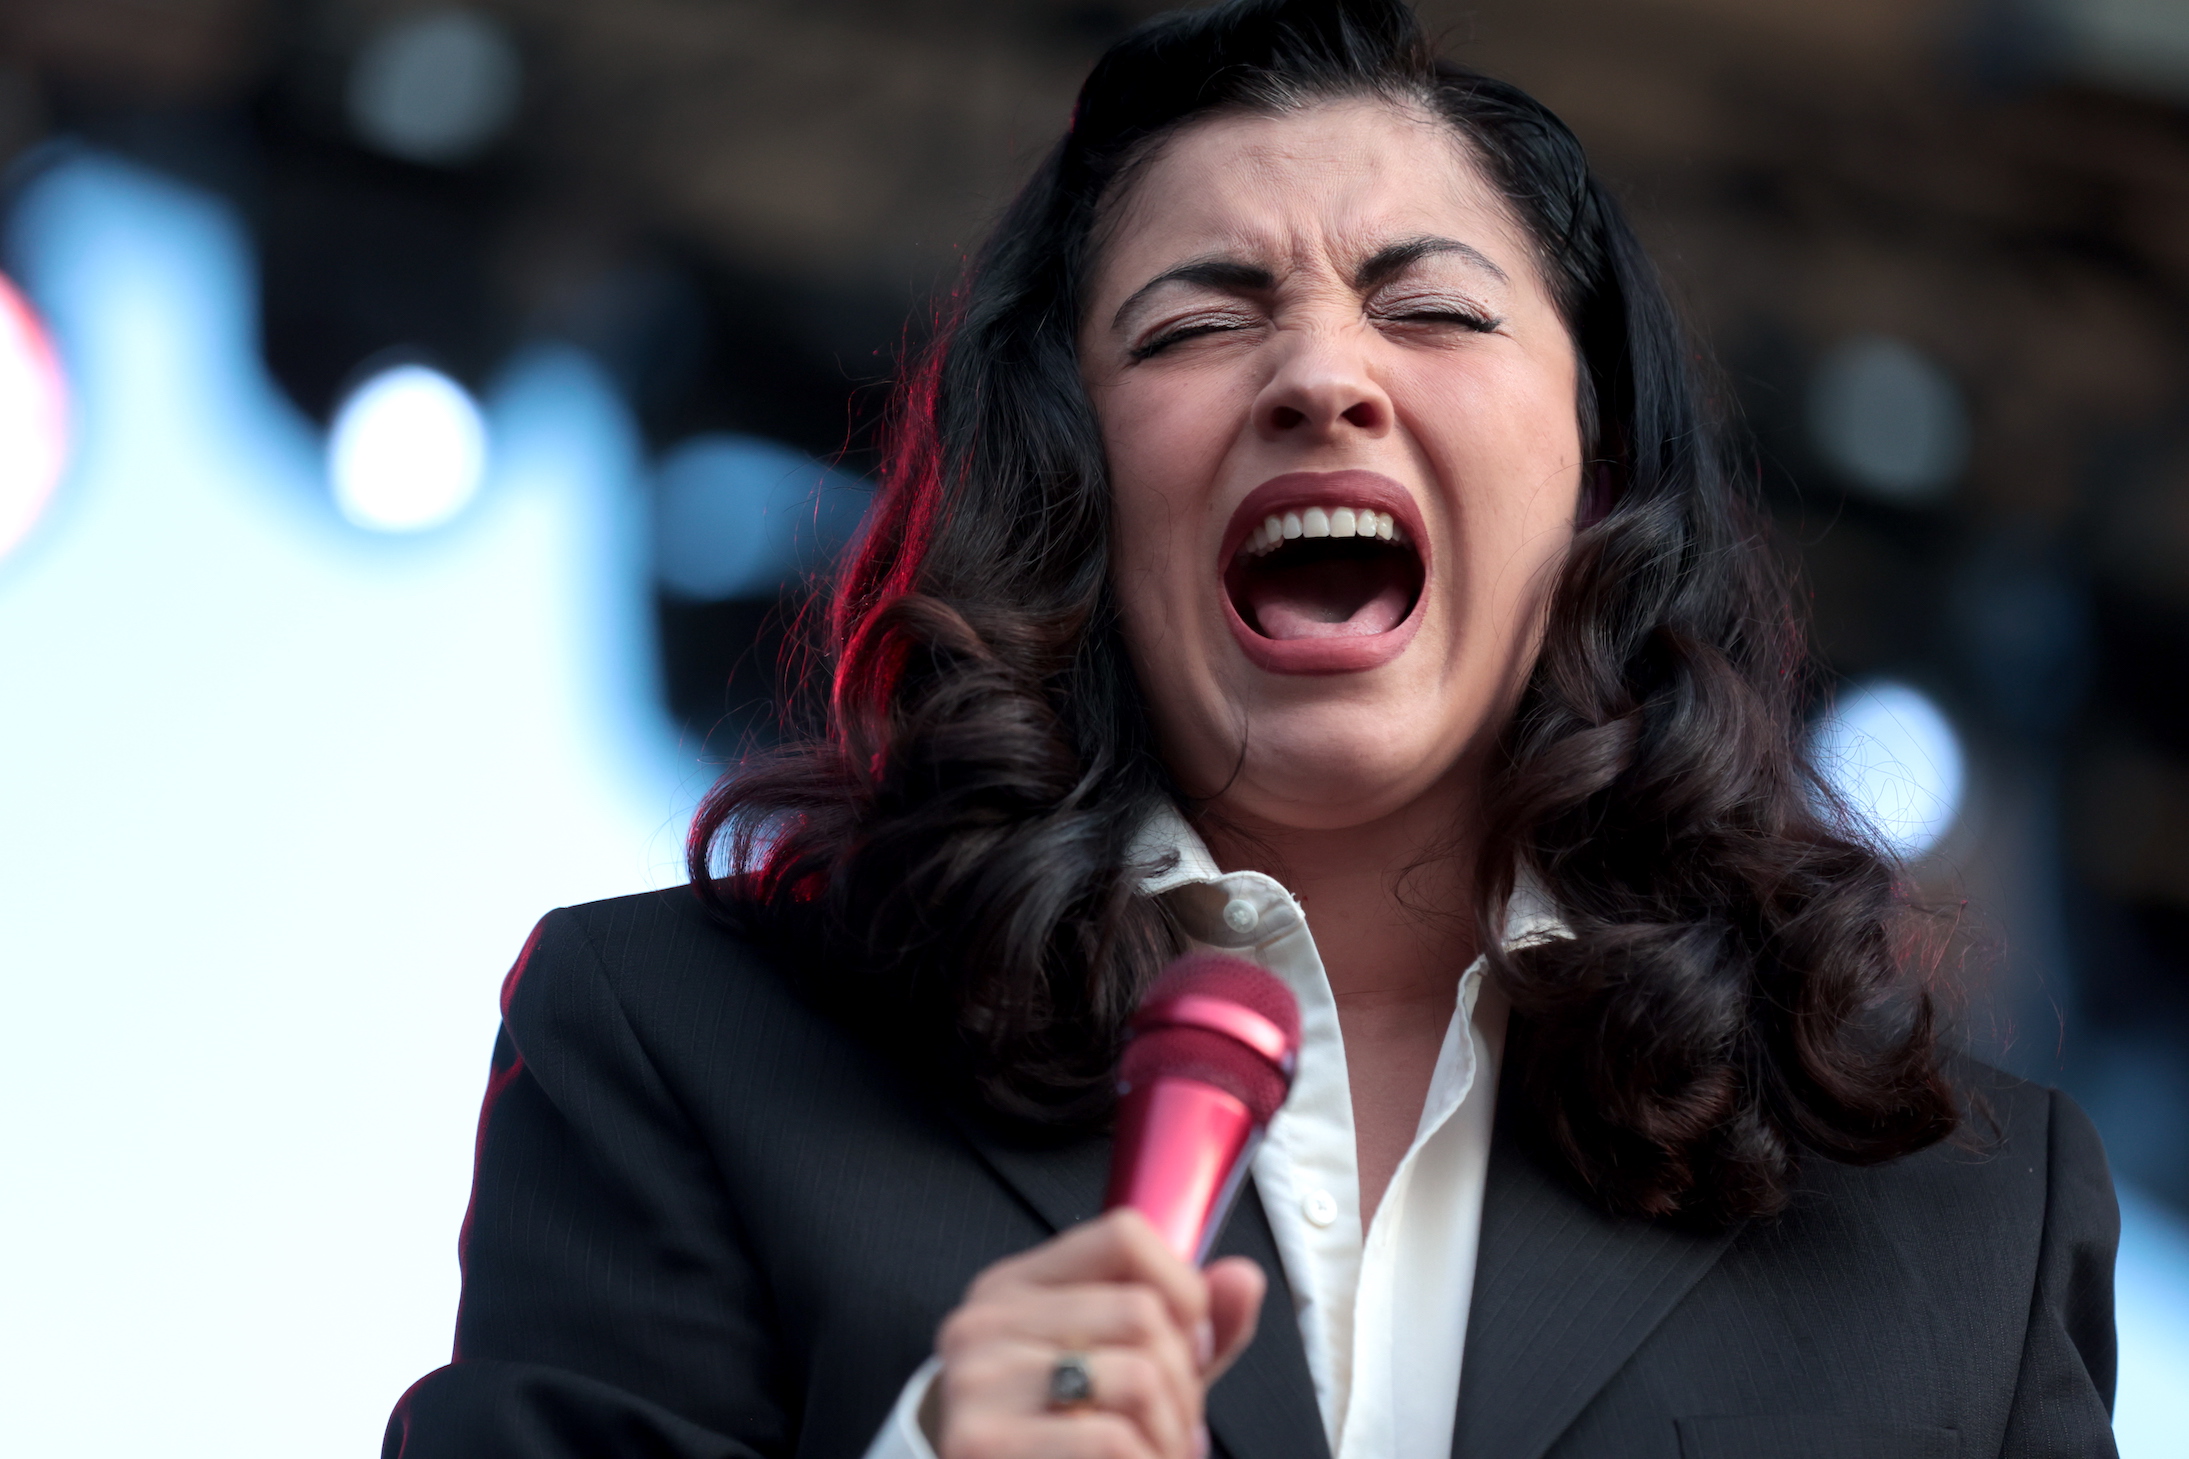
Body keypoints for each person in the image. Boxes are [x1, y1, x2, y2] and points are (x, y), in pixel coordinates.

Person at [383, 3, 2119, 1457]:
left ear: (1591, 474)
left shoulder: (1960, 1222)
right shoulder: (685, 1053)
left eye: (1430, 306)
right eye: (1195, 323)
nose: (1318, 374)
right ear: (1073, 490)